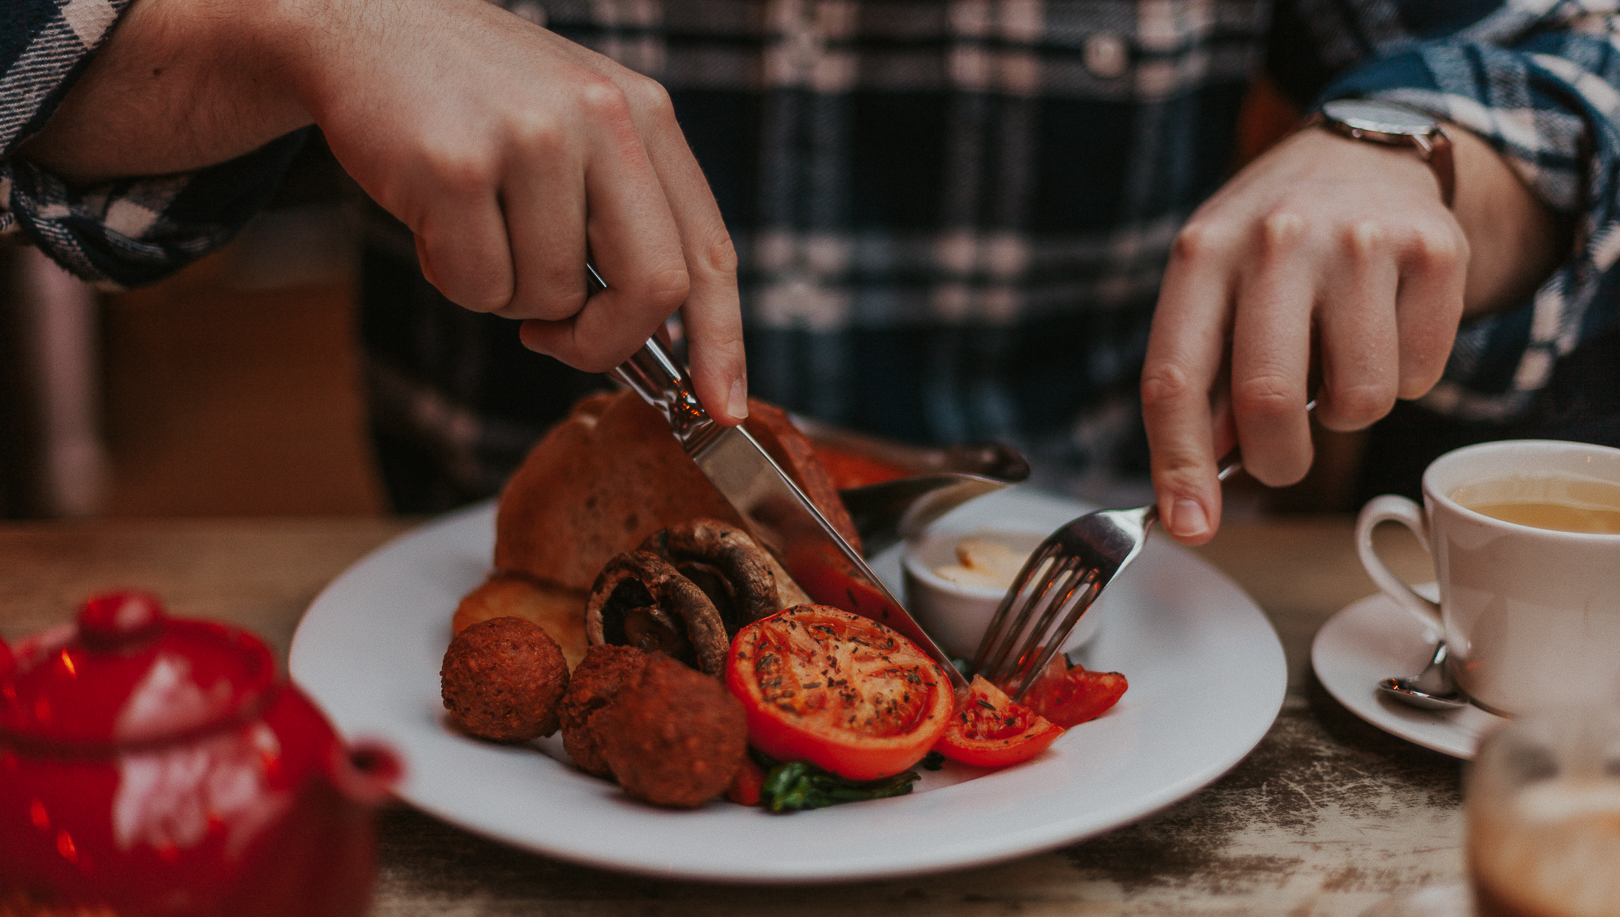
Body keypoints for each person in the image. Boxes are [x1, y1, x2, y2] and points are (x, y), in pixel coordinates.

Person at [4, 0, 1616, 540]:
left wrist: (1426, 159)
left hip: (1129, 625)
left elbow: (1570, 46)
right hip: (476, 659)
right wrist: (302, 24)